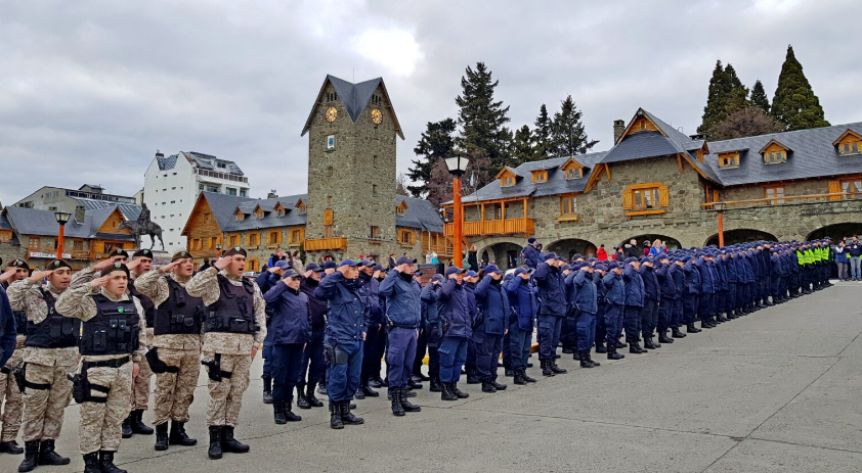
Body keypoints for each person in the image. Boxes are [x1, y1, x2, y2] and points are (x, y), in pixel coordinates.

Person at [55, 258, 147, 473]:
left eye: (124, 277)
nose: (122, 281)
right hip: (96, 369)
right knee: (92, 419)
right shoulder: (90, 302)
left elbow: (140, 334)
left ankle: (107, 460)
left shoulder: (133, 303)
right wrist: (89, 285)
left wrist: (136, 361)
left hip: (123, 367)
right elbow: (62, 305)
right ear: (105, 281)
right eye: (116, 278)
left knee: (116, 417)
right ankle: (91, 464)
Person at [185, 247, 266, 460]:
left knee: (236, 392)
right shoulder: (214, 283)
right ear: (226, 261)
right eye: (236, 259)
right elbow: (192, 288)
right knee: (219, 393)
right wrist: (215, 268)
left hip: (244, 350)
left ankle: (229, 434)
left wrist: (257, 343)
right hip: (219, 350)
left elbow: (260, 315)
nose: (241, 263)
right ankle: (215, 439)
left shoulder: (251, 286)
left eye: (243, 259)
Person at [6, 260, 77, 471]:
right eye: (59, 272)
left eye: (68, 272)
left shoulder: (74, 297)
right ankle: (30, 453)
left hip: (66, 362)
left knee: (56, 408)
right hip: (38, 361)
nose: (65, 276)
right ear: (48, 275)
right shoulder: (34, 294)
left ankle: (48, 449)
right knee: (34, 409)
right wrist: (30, 279)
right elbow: (10, 298)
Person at [132, 251, 204, 451]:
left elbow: (203, 319)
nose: (189, 264)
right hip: (168, 346)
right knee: (165, 390)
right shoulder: (164, 285)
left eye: (191, 261)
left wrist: (204, 345)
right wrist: (161, 270)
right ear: (174, 265)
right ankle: (162, 432)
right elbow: (140, 285)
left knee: (186, 390)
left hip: (192, 345)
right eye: (183, 262)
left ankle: (178, 429)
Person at [314, 260, 366, 430]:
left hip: (356, 339)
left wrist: (364, 328)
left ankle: (345, 411)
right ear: (344, 270)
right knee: (338, 377)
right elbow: (319, 291)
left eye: (357, 268)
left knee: (353, 377)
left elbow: (363, 312)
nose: (356, 271)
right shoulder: (335, 286)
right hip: (339, 341)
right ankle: (335, 414)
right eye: (352, 268)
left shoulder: (357, 288)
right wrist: (338, 273)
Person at [262, 269, 309, 424]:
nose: (297, 282)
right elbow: (266, 299)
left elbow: (307, 318)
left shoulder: (303, 296)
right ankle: (279, 411)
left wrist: (306, 337)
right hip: (282, 342)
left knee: (292, 378)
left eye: (298, 279)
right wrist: (283, 283)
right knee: (280, 378)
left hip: (298, 342)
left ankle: (288, 408)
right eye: (293, 279)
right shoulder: (280, 295)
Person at [379, 256, 423, 416]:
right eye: (408, 265)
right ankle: (395, 401)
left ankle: (403, 398)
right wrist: (394, 271)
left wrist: (417, 326)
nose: (412, 267)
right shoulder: (394, 281)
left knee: (407, 365)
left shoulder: (412, 283)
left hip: (412, 329)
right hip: (398, 329)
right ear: (401, 266)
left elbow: (416, 305)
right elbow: (382, 291)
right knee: (397, 364)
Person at [124, 249, 156, 439]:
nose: (146, 264)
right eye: (142, 261)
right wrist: (128, 269)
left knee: (143, 378)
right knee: (128, 380)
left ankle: (138, 417)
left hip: (149, 334)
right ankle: (125, 419)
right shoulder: (124, 281)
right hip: (129, 332)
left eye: (148, 261)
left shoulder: (153, 283)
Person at [0, 258, 30, 456]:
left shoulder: (32, 295)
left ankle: (8, 438)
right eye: (16, 270)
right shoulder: (2, 292)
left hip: (23, 351)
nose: (20, 275)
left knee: (16, 398)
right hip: (4, 351)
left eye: (23, 271)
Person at [473, 265, 509, 393]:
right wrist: (488, 277)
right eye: (497, 273)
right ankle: (486, 381)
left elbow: (505, 308)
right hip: (486, 327)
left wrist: (506, 325)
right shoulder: (484, 287)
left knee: (494, 356)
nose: (500, 275)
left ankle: (492, 378)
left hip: (499, 327)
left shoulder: (500, 288)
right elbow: (478, 292)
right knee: (485, 355)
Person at [437, 266, 471, 401]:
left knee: (459, 361)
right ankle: (445, 389)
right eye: (457, 275)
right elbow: (444, 294)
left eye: (461, 275)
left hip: (463, 331)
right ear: (450, 276)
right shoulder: (444, 288)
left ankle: (453, 386)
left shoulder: (462, 290)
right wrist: (451, 281)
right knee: (447, 361)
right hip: (450, 331)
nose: (460, 277)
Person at [296, 264, 326, 409]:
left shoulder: (320, 287)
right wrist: (304, 276)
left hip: (320, 330)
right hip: (305, 332)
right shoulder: (301, 285)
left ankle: (311, 394)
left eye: (320, 272)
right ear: (309, 273)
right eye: (316, 272)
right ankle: (300, 395)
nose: (319, 274)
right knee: (302, 364)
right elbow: (294, 285)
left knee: (318, 364)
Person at [533, 253, 567, 376]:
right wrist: (547, 263)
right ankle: (545, 365)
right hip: (547, 312)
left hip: (558, 311)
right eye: (556, 260)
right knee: (546, 339)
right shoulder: (544, 271)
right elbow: (539, 276)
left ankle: (552, 363)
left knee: (554, 340)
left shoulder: (556, 274)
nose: (559, 262)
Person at [505, 268, 537, 384]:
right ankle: (517, 374)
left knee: (524, 350)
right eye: (524, 273)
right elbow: (510, 290)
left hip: (528, 322)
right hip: (518, 322)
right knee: (516, 350)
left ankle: (523, 372)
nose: (527, 275)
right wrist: (518, 277)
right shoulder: (513, 284)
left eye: (527, 273)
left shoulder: (528, 285)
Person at [357, 261, 384, 400]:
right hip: (362, 324)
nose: (371, 269)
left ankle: (365, 383)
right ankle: (358, 386)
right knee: (360, 357)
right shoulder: (356, 280)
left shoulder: (374, 282)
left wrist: (379, 320)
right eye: (368, 267)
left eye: (372, 267)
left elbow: (378, 301)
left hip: (374, 323)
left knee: (371, 356)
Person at [570, 262, 600, 368]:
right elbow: (576, 281)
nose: (592, 269)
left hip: (592, 312)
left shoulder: (590, 281)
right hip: (583, 312)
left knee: (590, 337)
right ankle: (583, 360)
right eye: (590, 267)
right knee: (584, 336)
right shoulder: (581, 279)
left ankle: (588, 357)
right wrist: (583, 270)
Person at [420, 275, 444, 391]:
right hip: (433, 327)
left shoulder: (441, 292)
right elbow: (424, 295)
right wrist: (431, 284)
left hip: (441, 325)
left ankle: (439, 379)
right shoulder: (430, 293)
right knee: (434, 355)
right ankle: (434, 381)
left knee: (441, 355)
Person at [602, 262, 626, 360]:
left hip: (620, 305)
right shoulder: (610, 277)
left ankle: (614, 349)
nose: (621, 270)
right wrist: (612, 272)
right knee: (612, 329)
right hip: (612, 306)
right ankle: (611, 352)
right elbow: (605, 281)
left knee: (618, 329)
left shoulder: (619, 279)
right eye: (619, 268)